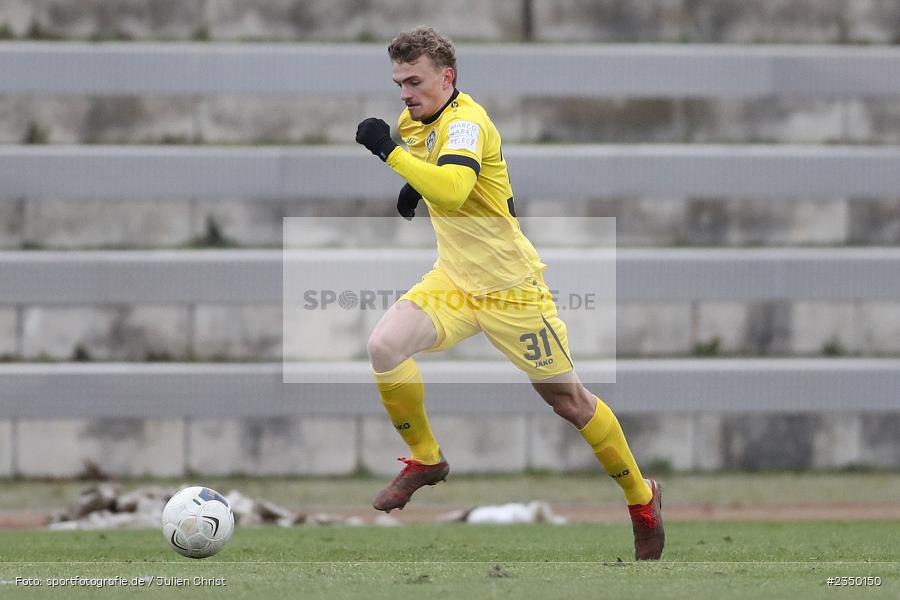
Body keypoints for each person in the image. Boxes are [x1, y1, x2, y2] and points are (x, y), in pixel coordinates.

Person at [355, 26, 664, 560]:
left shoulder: (469, 123)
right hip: (454, 280)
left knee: (569, 403)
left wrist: (389, 154)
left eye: (415, 81)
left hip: (510, 290)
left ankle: (642, 500)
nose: (404, 94)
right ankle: (426, 459)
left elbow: (452, 189)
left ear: (446, 77)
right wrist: (412, 181)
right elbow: (441, 173)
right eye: (399, 82)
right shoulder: (416, 121)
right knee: (384, 346)